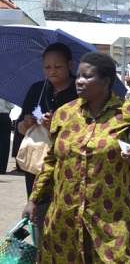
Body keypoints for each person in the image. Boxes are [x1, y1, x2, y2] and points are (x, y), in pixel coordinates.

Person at [22, 51, 130, 262]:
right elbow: (51, 162)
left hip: (109, 219)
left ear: (106, 81)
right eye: (78, 75)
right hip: (64, 218)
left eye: (87, 76)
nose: (79, 81)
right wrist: (33, 200)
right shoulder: (65, 114)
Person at [16, 43, 79, 242]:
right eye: (47, 67)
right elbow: (19, 129)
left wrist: (57, 126)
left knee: (65, 216)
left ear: (70, 64)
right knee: (38, 215)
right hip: (37, 165)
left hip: (68, 164)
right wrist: (26, 123)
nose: (52, 71)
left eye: (57, 67)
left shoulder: (80, 90)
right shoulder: (37, 89)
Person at [0, 98, 13, 175]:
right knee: (4, 144)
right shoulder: (6, 94)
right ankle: (2, 167)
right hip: (4, 116)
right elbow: (10, 106)